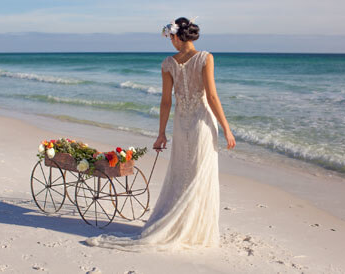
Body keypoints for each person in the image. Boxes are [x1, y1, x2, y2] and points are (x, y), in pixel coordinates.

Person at [86, 17, 236, 252]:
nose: (171, 43)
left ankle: (182, 223)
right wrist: (226, 128)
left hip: (182, 123)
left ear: (177, 36)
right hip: (202, 124)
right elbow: (213, 97)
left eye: (171, 38)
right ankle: (193, 227)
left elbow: (166, 101)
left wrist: (161, 134)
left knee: (181, 172)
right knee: (199, 174)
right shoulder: (206, 58)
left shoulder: (168, 63)